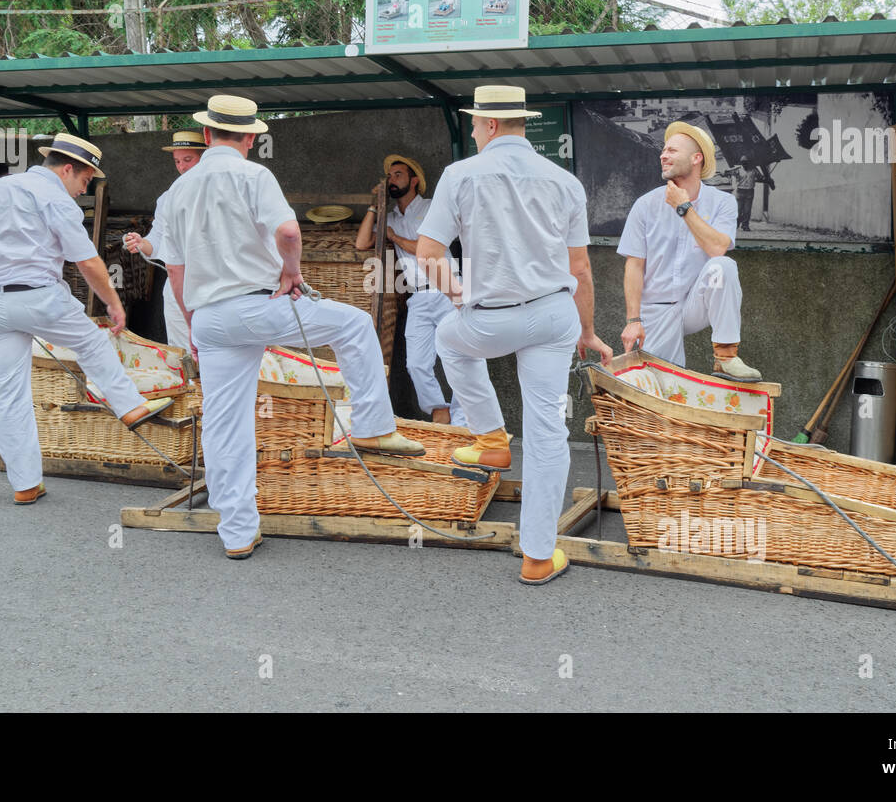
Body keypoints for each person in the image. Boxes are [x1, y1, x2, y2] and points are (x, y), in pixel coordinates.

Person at [155, 95, 425, 560]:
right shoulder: (254, 174)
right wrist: (292, 270)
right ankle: (373, 426)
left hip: (209, 318)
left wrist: (195, 324)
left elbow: (175, 271)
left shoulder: (176, 193)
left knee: (225, 423)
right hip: (259, 303)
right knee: (357, 325)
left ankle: (237, 534)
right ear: (251, 137)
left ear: (205, 136)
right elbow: (289, 233)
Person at [415, 85, 612, 587]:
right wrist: (587, 331)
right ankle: (538, 558)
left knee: (448, 340)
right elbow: (581, 269)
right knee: (547, 431)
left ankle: (491, 438)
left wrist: (459, 296)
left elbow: (428, 254)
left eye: (477, 124)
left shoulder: (459, 175)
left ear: (492, 126)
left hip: (489, 317)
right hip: (553, 316)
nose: (475, 131)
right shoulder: (564, 181)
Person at [0, 133, 172, 505]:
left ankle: (26, 485)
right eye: (85, 180)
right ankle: (130, 406)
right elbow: (88, 261)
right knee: (92, 341)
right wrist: (113, 303)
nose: (84, 189)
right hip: (37, 295)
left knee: (9, 394)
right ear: (67, 169)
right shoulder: (55, 198)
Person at [617, 121, 762, 381]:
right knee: (656, 386)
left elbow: (718, 248)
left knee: (724, 267)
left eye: (672, 150)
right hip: (656, 309)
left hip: (696, 304)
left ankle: (726, 357)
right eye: (663, 150)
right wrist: (632, 320)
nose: (663, 155)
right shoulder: (645, 205)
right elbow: (634, 266)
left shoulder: (723, 202)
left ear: (697, 158)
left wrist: (684, 208)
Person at [355, 153, 465, 426]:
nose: (392, 180)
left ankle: (462, 422)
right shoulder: (389, 216)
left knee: (462, 357)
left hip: (447, 289)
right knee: (415, 363)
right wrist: (373, 205)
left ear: (414, 180)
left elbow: (427, 249)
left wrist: (394, 237)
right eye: (389, 176)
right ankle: (439, 409)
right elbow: (361, 243)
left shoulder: (430, 208)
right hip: (417, 295)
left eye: (398, 175)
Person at [122, 130, 207, 351]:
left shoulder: (219, 192)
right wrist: (140, 243)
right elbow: (157, 241)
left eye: (188, 160)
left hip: (213, 283)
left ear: (205, 157)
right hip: (178, 286)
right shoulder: (168, 198)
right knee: (182, 350)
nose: (182, 166)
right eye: (177, 161)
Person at [727, 163, 756, 232]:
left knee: (747, 210)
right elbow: (730, 174)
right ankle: (736, 225)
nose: (745, 165)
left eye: (746, 163)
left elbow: (760, 177)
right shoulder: (738, 170)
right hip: (741, 191)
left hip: (750, 191)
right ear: (742, 164)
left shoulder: (754, 170)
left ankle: (745, 225)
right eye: (744, 163)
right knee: (738, 210)